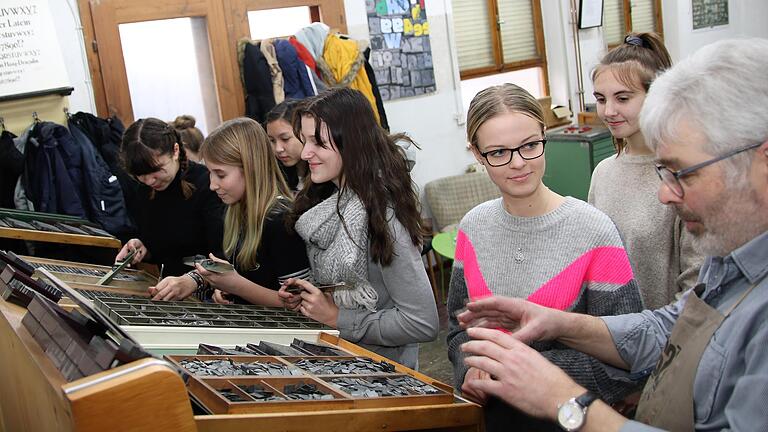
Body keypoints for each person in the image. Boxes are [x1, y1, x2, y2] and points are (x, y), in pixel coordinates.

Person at [458, 38, 768, 432]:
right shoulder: (732, 262)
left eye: (684, 173)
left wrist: (563, 399)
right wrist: (558, 322)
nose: (664, 193)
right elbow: (668, 328)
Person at [446, 83, 644, 431]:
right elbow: (456, 331)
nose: (518, 163)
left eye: (529, 146)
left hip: (572, 420)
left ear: (544, 136)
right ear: (477, 154)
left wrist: (516, 368)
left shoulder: (594, 232)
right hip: (491, 418)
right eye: (498, 152)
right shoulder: (473, 227)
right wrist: (470, 365)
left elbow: (627, 357)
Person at [278, 88, 438, 369]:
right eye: (305, 141)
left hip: (383, 373)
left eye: (318, 142)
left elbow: (422, 322)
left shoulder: (383, 217)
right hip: (346, 361)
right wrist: (313, 298)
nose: (305, 153)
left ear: (351, 143)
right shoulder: (331, 201)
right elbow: (352, 286)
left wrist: (338, 318)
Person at [588, 32, 703, 309]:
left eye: (623, 98)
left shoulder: (683, 176)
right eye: (601, 99)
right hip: (608, 337)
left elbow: (697, 285)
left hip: (666, 341)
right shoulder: (603, 173)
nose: (609, 111)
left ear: (656, 95)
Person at [149, 117, 311, 305]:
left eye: (221, 174)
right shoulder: (233, 210)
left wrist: (235, 286)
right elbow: (225, 265)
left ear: (250, 168)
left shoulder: (282, 221)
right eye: (210, 173)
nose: (212, 185)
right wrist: (191, 281)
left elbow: (297, 303)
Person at [116, 118, 224, 278]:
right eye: (140, 175)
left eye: (156, 170)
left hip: (211, 285)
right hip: (170, 286)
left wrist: (193, 280)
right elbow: (164, 251)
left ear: (175, 151)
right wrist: (144, 249)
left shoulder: (208, 184)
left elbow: (222, 259)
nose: (150, 181)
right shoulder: (143, 190)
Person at [265, 100, 307, 192]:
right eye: (272, 140)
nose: (278, 149)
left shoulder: (326, 176)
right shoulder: (274, 176)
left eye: (285, 139)